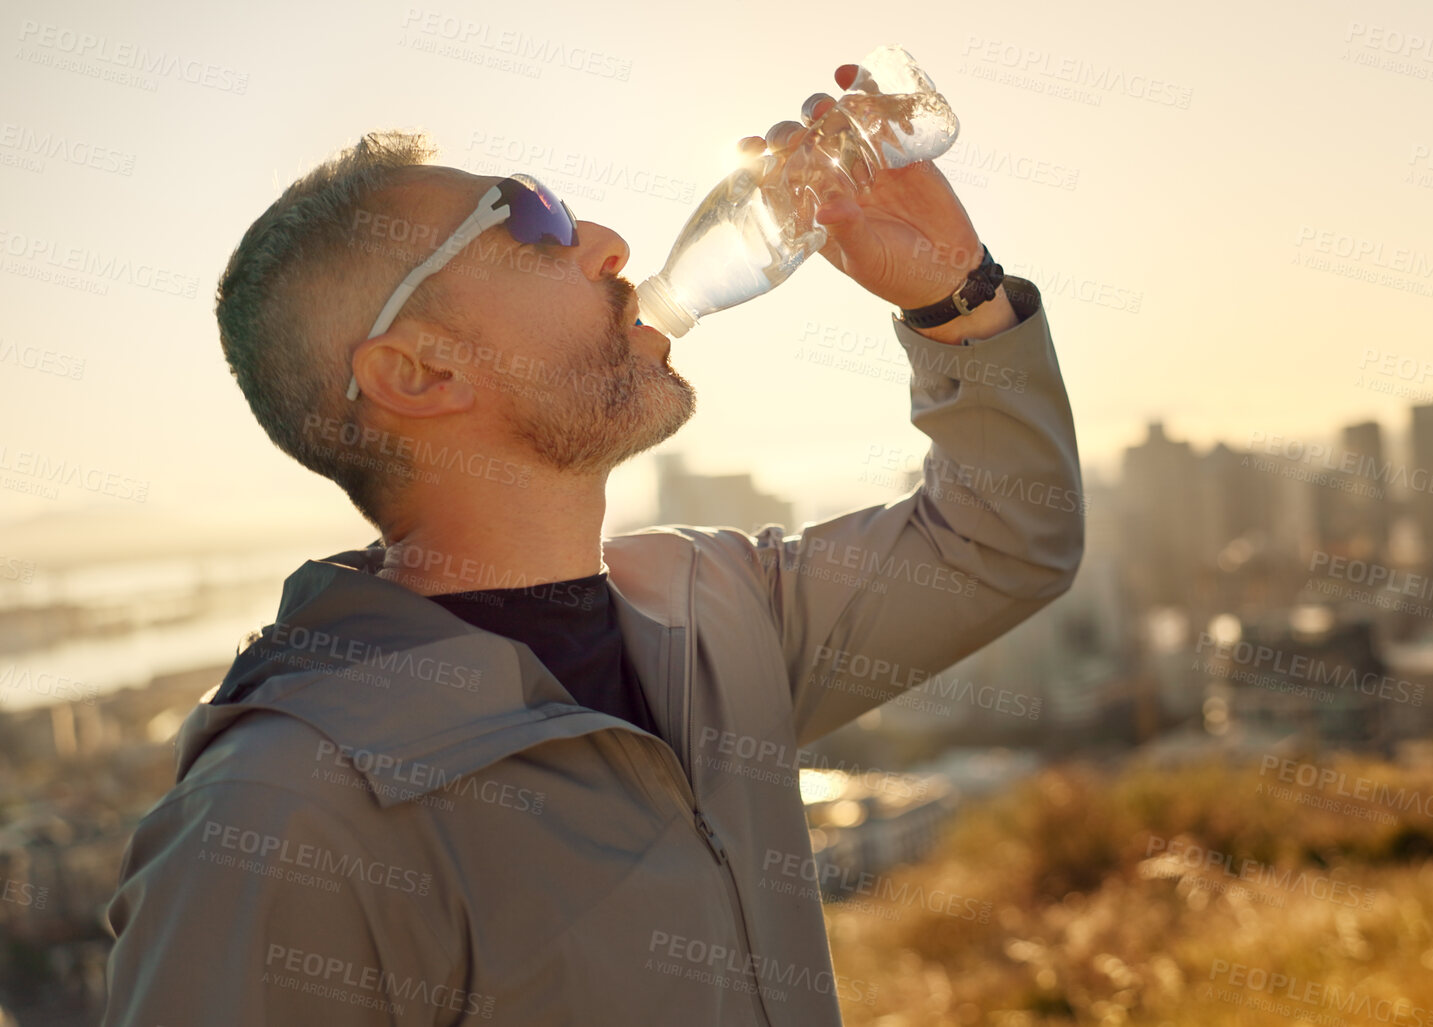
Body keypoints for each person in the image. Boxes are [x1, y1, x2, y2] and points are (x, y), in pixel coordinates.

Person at [101, 64, 1082, 1025]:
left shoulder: (715, 610)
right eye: (531, 221)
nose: (611, 243)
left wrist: (958, 296)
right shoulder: (276, 817)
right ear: (420, 370)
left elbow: (1001, 541)